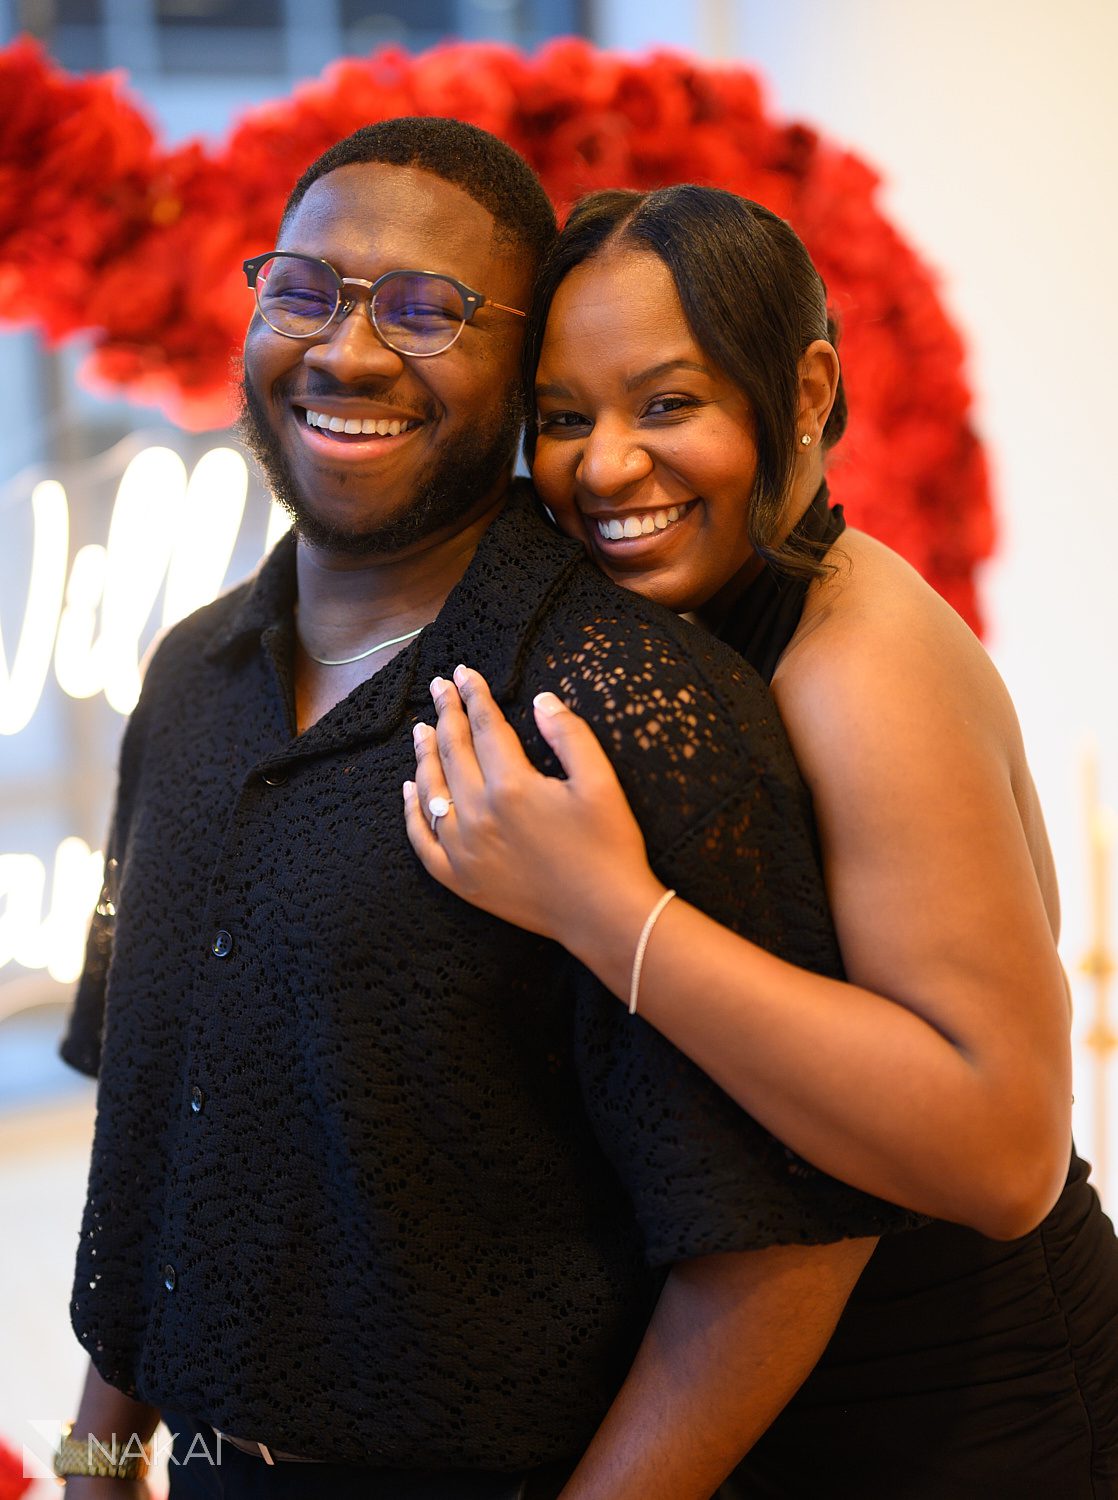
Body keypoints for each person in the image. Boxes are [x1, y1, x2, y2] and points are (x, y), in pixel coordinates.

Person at [56, 123, 920, 1500]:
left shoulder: (623, 706)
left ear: (523, 377)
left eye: (425, 309)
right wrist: (93, 1468)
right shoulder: (189, 680)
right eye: (303, 289)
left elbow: (780, 1244)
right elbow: (162, 1143)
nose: (346, 351)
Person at [404, 184, 1118, 1495]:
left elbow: (1004, 1151)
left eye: (667, 403)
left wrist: (603, 912)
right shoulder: (679, 622)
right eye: (563, 420)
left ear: (802, 390)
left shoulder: (856, 662)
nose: (606, 466)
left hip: (966, 1405)